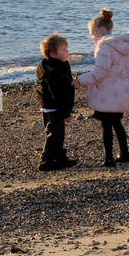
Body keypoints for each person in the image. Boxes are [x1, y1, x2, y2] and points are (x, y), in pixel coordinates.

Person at [74, 9, 129, 167]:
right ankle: (125, 153)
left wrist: (80, 81)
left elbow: (100, 72)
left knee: (107, 125)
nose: (92, 37)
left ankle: (109, 158)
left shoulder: (104, 47)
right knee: (117, 122)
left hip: (107, 92)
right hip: (122, 89)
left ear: (100, 30)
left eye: (92, 33)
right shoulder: (123, 46)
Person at [36, 33, 78, 171]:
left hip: (56, 106)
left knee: (59, 134)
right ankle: (46, 160)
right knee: (54, 134)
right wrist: (65, 112)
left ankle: (60, 157)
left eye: (67, 49)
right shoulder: (51, 72)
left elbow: (66, 84)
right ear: (53, 53)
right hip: (53, 107)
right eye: (64, 50)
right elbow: (57, 94)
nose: (68, 52)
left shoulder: (60, 65)